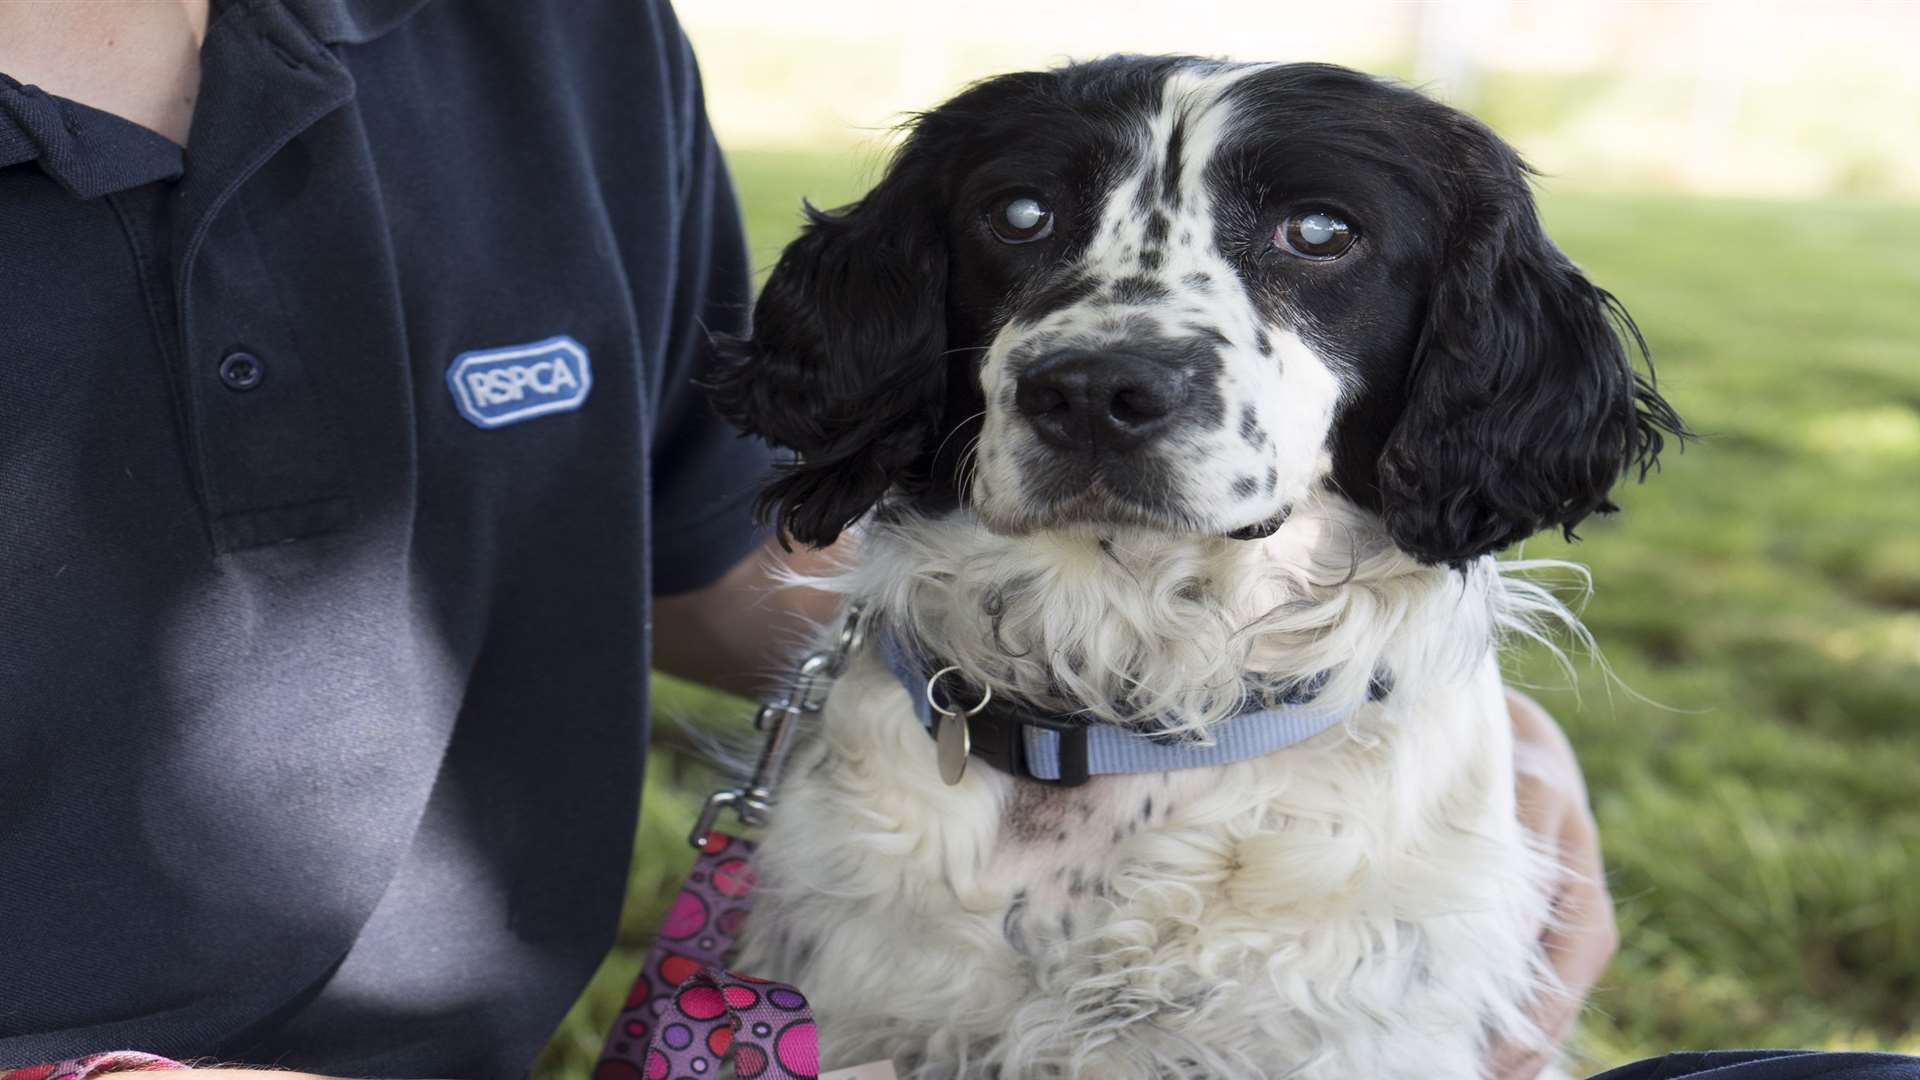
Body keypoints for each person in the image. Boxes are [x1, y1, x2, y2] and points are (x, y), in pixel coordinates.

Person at [0, 4, 1902, 1080]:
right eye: (1025, 224)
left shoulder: (546, 34)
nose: (1110, 348)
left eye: (1313, 238)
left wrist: (1352, 729)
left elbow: (715, 555)